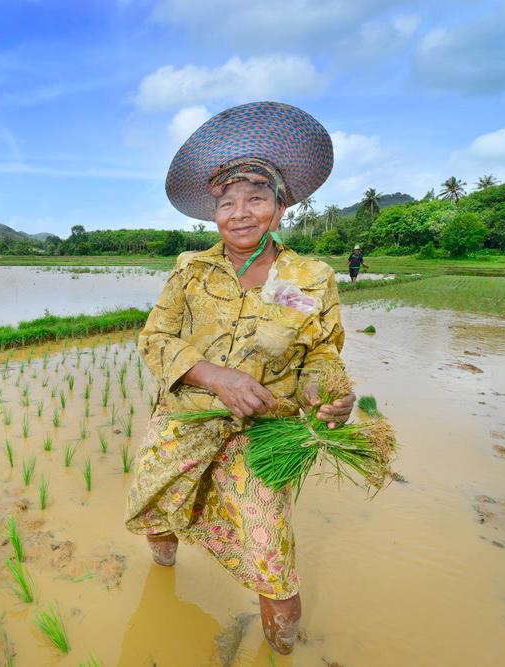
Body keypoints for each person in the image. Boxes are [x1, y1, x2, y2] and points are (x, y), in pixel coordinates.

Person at [124, 101, 355, 655]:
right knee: (156, 512)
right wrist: (214, 376)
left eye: (255, 199)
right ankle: (164, 567)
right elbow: (154, 340)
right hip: (184, 422)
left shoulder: (310, 277)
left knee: (273, 556)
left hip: (263, 437)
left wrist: (330, 395)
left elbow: (322, 353)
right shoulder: (190, 269)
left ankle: (281, 648)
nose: (240, 212)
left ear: (280, 208)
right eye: (227, 203)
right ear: (213, 214)